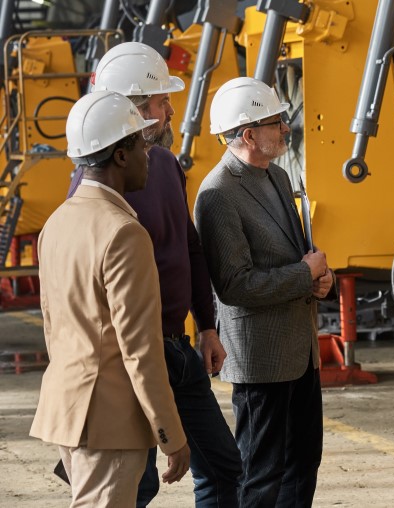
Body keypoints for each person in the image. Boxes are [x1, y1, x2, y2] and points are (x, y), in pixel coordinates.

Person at [63, 41, 243, 508]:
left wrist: (207, 326)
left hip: (177, 350)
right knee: (133, 486)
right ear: (136, 110)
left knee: (224, 466)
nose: (169, 110)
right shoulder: (96, 186)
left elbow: (189, 244)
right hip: (132, 359)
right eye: (162, 101)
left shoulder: (161, 166)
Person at [31, 90, 191, 505]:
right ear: (120, 156)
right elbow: (140, 350)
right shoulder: (123, 234)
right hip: (109, 422)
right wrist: (170, 435)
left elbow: (54, 325)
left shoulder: (58, 222)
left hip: (69, 411)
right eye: (141, 145)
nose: (148, 156)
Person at [193, 76, 334, 507]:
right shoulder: (218, 194)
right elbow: (235, 286)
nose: (286, 130)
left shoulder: (276, 175)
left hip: (300, 351)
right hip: (262, 360)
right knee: (261, 472)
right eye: (277, 123)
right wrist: (303, 274)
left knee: (303, 462)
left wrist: (318, 277)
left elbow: (295, 254)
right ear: (249, 133)